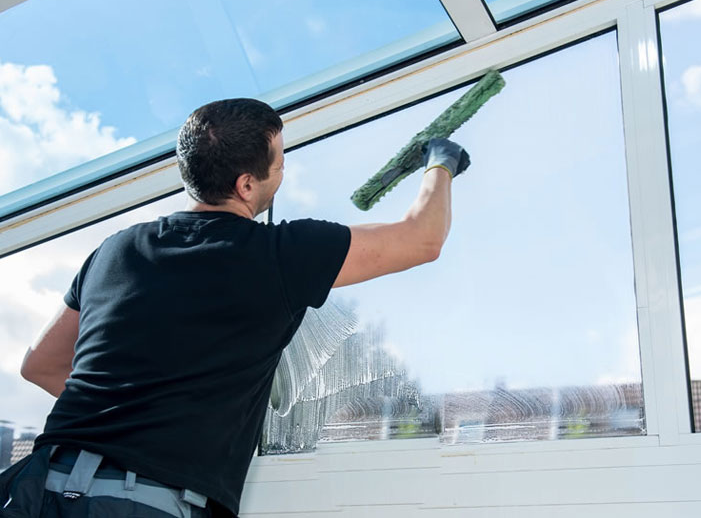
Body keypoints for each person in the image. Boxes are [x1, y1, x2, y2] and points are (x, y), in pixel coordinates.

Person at [0, 98, 470, 517]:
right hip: (140, 503)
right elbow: (421, 239)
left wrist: (132, 411)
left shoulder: (116, 249)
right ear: (247, 185)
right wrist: (441, 161)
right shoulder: (280, 254)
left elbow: (40, 366)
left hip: (33, 487)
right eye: (280, 163)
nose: (284, 173)